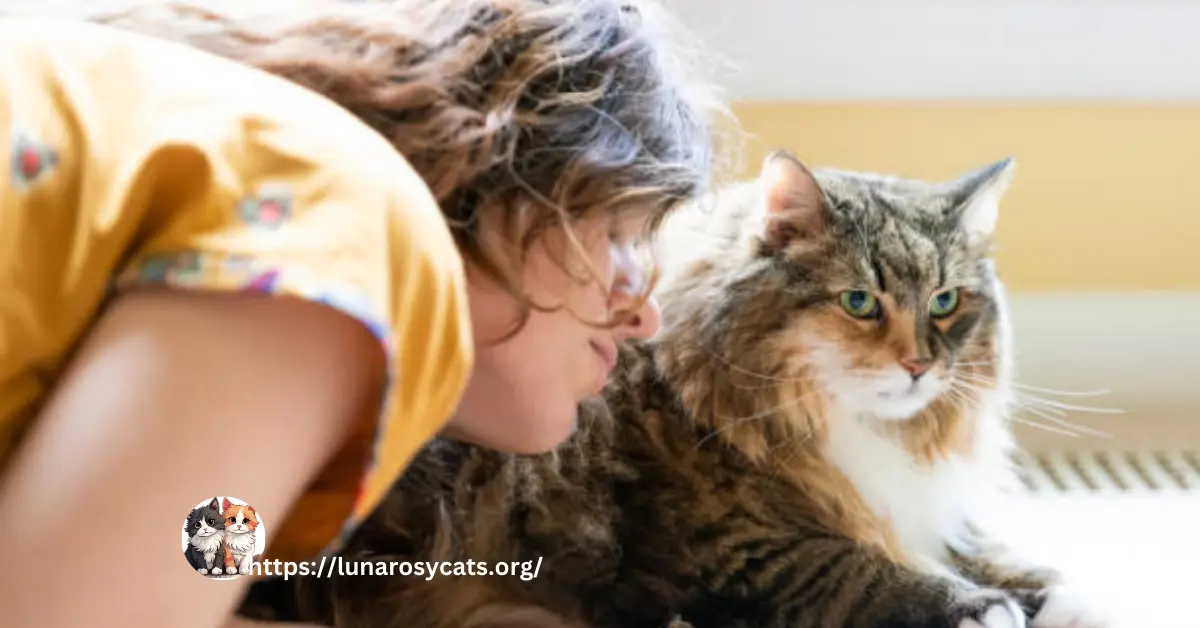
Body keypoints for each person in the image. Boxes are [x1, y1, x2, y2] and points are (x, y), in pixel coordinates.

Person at [0, 1, 727, 627]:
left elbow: (163, 568)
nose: (646, 317)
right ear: (515, 158)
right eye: (624, 235)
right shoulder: (358, 223)